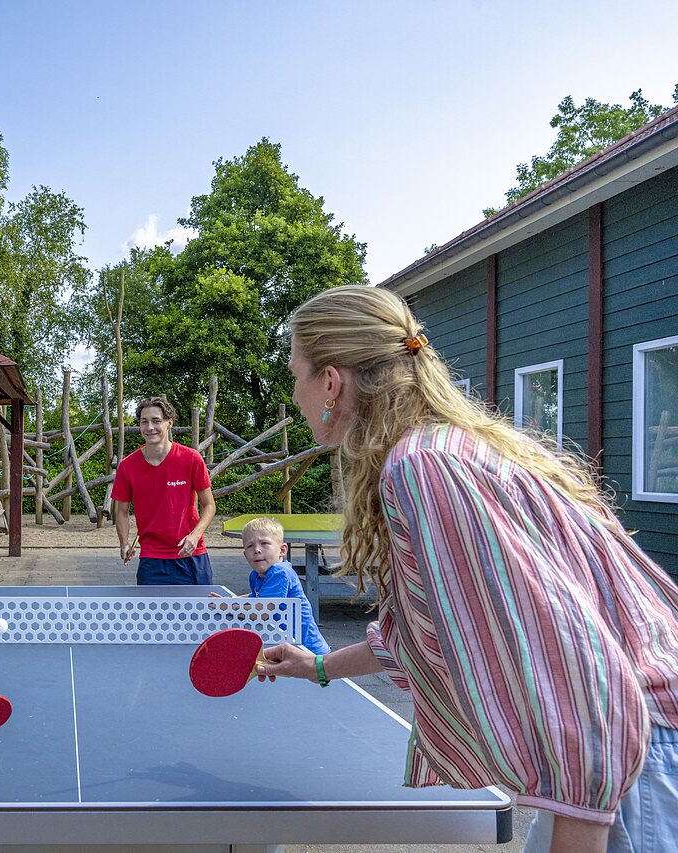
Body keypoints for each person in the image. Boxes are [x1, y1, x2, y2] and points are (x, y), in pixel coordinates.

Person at [257, 284, 678, 853]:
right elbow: (420, 634)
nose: (296, 392)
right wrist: (320, 666)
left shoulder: (422, 469)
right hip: (627, 755)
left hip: (627, 761)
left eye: (295, 375)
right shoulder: (446, 449)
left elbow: (586, 678)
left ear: (331, 382)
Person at [112, 395, 216, 585]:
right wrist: (124, 541)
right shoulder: (127, 466)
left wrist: (195, 535)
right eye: (144, 422)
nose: (149, 427)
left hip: (191, 554)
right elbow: (122, 511)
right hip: (152, 559)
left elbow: (209, 505)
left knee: (199, 614)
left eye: (156, 421)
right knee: (152, 615)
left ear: (169, 423)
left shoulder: (191, 459)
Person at [228, 516, 330, 655]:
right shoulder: (256, 575)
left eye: (264, 543)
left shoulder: (280, 573)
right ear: (245, 554)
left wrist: (226, 607)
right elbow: (256, 597)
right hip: (287, 645)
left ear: (282, 550)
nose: (257, 550)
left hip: (307, 651)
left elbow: (261, 612)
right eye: (250, 546)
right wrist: (232, 599)